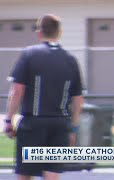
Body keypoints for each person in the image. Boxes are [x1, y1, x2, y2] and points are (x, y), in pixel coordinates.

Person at [3, 14, 83, 180]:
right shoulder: (70, 60)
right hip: (60, 124)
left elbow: (17, 90)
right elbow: (78, 99)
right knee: (52, 171)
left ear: (39, 32)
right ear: (59, 33)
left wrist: (9, 120)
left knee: (25, 172)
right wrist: (73, 128)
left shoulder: (29, 55)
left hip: (33, 123)